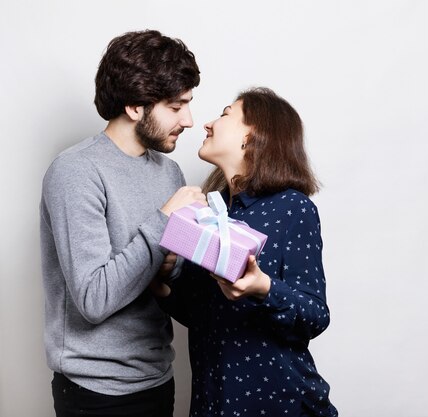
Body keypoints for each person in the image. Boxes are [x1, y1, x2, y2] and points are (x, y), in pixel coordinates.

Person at [39, 29, 206, 417]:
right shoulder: (76, 171)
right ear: (135, 107)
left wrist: (171, 266)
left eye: (188, 104)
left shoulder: (170, 174)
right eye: (176, 106)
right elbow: (93, 299)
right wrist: (164, 221)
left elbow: (170, 277)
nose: (190, 119)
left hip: (158, 378)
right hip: (95, 392)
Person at [155, 87, 338, 416]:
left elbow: (315, 315)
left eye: (225, 114)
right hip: (213, 402)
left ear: (253, 136)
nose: (207, 124)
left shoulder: (292, 208)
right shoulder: (210, 213)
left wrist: (262, 287)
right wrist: (164, 279)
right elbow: (202, 315)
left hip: (277, 404)